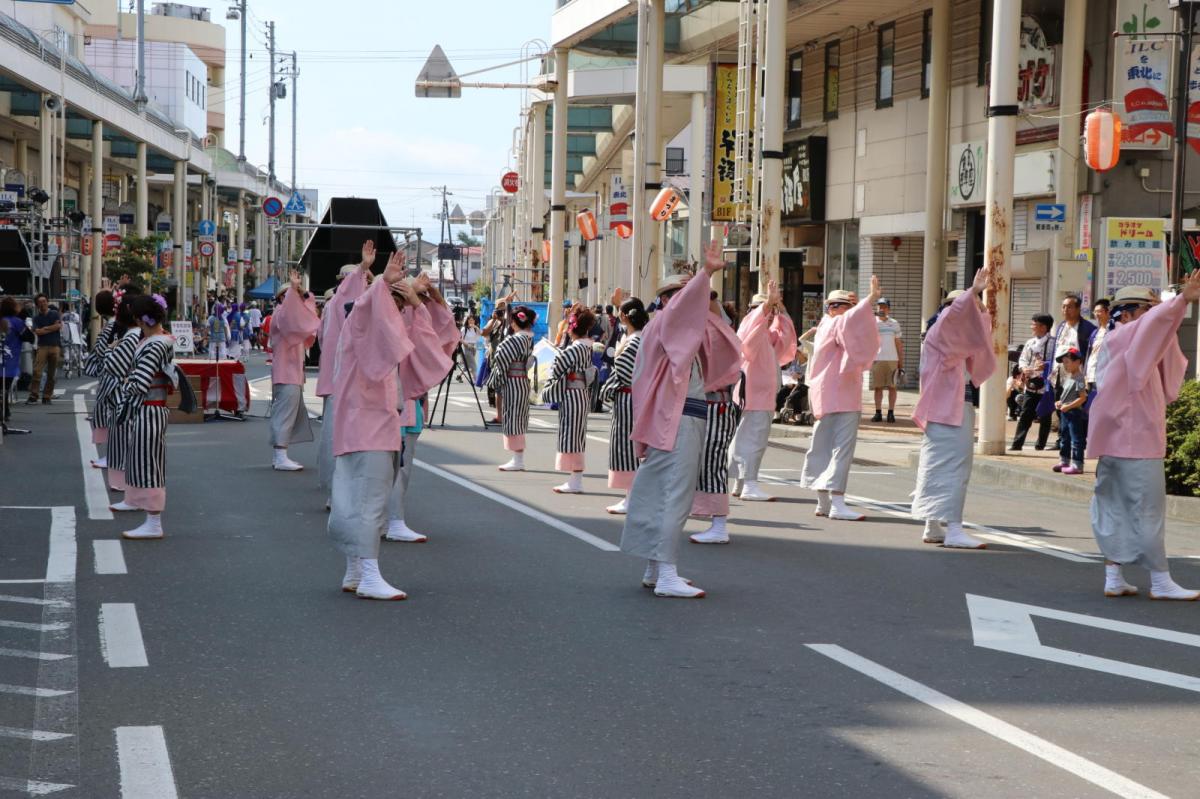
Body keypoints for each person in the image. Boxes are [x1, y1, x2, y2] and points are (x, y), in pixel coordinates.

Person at [620, 243, 738, 598]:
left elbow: (722, 331)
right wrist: (706, 274)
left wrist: (707, 286)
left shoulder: (671, 328)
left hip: (676, 417)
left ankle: (655, 568)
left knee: (659, 490)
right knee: (673, 492)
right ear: (674, 299)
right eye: (687, 295)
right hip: (678, 418)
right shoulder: (669, 322)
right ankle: (667, 572)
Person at [1087, 275, 1200, 600]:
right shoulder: (1127, 338)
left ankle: (1113, 576)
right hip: (1137, 441)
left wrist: (1173, 307)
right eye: (1147, 310)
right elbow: (1152, 328)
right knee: (1147, 509)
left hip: (1116, 440)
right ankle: (1161, 580)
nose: (1154, 317)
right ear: (1127, 313)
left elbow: (1155, 333)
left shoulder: (1114, 341)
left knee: (1113, 506)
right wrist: (1180, 302)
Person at [327, 251, 424, 601]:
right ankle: (368, 573)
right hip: (365, 425)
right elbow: (366, 304)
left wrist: (410, 296)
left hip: (369, 424)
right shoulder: (359, 319)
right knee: (368, 500)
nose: (398, 310)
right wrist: (381, 280)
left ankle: (355, 570)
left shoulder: (372, 330)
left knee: (359, 500)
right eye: (395, 302)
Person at [910, 265, 996, 549]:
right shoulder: (944, 328)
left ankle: (932, 524)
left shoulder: (942, 338)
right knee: (955, 468)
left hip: (946, 407)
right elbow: (959, 316)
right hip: (950, 408)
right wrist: (972, 293)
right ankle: (954, 528)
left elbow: (978, 331)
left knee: (935, 465)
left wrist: (978, 301)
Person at [799, 278, 883, 521]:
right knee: (841, 449)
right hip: (842, 394)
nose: (850, 310)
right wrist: (870, 300)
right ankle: (837, 502)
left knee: (822, 446)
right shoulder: (837, 323)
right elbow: (853, 324)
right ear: (836, 307)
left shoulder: (825, 325)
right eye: (847, 306)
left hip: (825, 393)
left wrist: (863, 306)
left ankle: (823, 502)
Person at [384, 275, 458, 544]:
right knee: (395, 468)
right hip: (395, 403)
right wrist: (417, 303)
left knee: (396, 467)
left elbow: (441, 335)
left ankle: (388, 519)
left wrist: (431, 300)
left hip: (406, 403)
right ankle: (392, 520)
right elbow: (431, 339)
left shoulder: (407, 317)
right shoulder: (395, 319)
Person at [115, 294, 176, 540]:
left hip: (148, 408)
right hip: (150, 407)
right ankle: (144, 510)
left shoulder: (154, 344)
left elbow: (140, 381)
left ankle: (154, 520)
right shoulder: (161, 340)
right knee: (143, 461)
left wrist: (122, 396)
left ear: (141, 319)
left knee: (148, 464)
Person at [728, 280, 796, 501]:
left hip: (759, 394)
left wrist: (781, 311)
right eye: (765, 309)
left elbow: (785, 340)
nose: (768, 314)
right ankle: (749, 484)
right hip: (754, 394)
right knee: (753, 439)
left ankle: (741, 482)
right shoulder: (751, 326)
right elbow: (750, 337)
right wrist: (767, 305)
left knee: (746, 437)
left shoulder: (765, 335)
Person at [317, 246, 375, 502]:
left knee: (343, 439)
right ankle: (338, 493)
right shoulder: (342, 302)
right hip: (344, 382)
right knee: (340, 439)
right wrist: (363, 268)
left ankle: (340, 492)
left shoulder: (335, 306)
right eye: (361, 280)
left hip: (346, 380)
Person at [688, 293, 744, 545]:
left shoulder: (722, 334)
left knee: (712, 462)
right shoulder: (707, 334)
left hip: (717, 404)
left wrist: (703, 285)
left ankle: (719, 524)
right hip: (706, 403)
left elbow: (710, 304)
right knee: (701, 461)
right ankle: (709, 516)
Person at [599, 297, 647, 513]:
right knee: (631, 446)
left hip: (628, 398)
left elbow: (625, 371)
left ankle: (631, 497)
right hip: (634, 397)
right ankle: (633, 496)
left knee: (627, 447)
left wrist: (610, 387)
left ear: (625, 316)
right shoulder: (640, 338)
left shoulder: (635, 340)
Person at [268, 272, 320, 471]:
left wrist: (303, 293)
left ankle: (279, 454)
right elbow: (298, 314)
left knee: (286, 413)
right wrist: (293, 290)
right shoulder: (282, 313)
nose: (299, 298)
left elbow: (307, 315)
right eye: (293, 295)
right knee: (284, 414)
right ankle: (280, 455)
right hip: (286, 373)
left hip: (289, 373)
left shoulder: (284, 314)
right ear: (284, 298)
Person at [542, 303, 596, 494]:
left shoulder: (574, 349)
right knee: (577, 434)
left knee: (571, 434)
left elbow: (556, 369)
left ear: (572, 329)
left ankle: (575, 481)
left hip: (572, 393)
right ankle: (575, 479)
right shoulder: (586, 347)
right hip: (580, 392)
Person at [101, 287, 144, 499]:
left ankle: (125, 487)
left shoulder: (131, 337)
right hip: (137, 394)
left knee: (123, 442)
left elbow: (114, 366)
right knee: (129, 442)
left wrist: (110, 349)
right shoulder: (141, 335)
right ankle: (130, 488)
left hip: (125, 393)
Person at [487, 306, 537, 471]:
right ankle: (518, 457)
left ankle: (518, 458)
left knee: (513, 417)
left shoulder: (513, 339)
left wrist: (496, 380)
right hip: (522, 379)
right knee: (519, 417)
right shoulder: (529, 339)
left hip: (512, 380)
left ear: (515, 322)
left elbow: (500, 359)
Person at [1009, 313, 1054, 451]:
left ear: (1043, 327)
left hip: (1047, 385)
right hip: (1031, 384)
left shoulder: (1054, 342)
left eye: (1034, 324)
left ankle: (1040, 445)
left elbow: (1057, 361)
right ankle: (1017, 444)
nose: (1031, 327)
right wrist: (1024, 368)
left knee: (1045, 415)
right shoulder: (1030, 342)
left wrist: (1046, 365)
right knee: (1025, 414)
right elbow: (1023, 359)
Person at [84, 288, 118, 466]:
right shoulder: (117, 325)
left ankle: (112, 457)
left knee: (110, 416)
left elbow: (101, 351)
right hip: (116, 376)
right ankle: (113, 456)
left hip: (111, 376)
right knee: (114, 417)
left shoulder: (111, 326)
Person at [1054, 348, 1087, 475]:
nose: (1065, 365)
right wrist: (1060, 403)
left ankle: (1078, 464)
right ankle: (1064, 461)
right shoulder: (1069, 377)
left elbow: (1083, 398)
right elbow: (1066, 395)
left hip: (1074, 413)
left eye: (1067, 362)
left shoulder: (1079, 378)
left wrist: (1068, 406)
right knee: (1064, 437)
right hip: (1065, 412)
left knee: (1076, 439)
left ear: (1077, 362)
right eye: (1064, 362)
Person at [870, 298, 903, 423]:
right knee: (878, 388)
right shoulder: (872, 323)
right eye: (879, 307)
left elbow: (899, 344)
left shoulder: (894, 323)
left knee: (892, 387)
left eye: (884, 307)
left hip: (892, 359)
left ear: (888, 309)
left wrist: (901, 362)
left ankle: (891, 413)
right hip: (877, 359)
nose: (881, 309)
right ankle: (878, 413)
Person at [27, 293, 62, 404]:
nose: (42, 304)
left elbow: (58, 326)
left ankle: (47, 396)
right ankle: (34, 394)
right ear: (37, 305)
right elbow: (37, 332)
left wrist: (45, 328)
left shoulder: (55, 313)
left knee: (51, 374)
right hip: (42, 346)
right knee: (37, 371)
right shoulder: (36, 318)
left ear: (47, 302)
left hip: (55, 346)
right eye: (40, 302)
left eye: (44, 301)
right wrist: (51, 328)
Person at [1, 296, 27, 431]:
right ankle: (3, 417)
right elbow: (29, 336)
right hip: (10, 362)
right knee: (4, 389)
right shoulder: (17, 322)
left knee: (2, 390)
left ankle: (5, 413)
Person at [1085, 298, 1111, 398]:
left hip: (1104, 376)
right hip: (1091, 375)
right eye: (1095, 312)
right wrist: (1085, 375)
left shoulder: (1113, 331)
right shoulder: (1095, 332)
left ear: (1108, 312)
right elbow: (1090, 355)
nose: (1096, 314)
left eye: (1099, 311)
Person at [460, 315, 481, 382]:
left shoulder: (475, 329)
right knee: (473, 364)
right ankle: (476, 380)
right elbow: (460, 339)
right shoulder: (464, 329)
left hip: (473, 348)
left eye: (472, 320)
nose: (471, 321)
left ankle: (459, 376)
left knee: (468, 364)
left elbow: (480, 334)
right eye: (470, 320)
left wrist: (476, 327)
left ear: (474, 321)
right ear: (467, 321)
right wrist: (467, 345)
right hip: (467, 347)